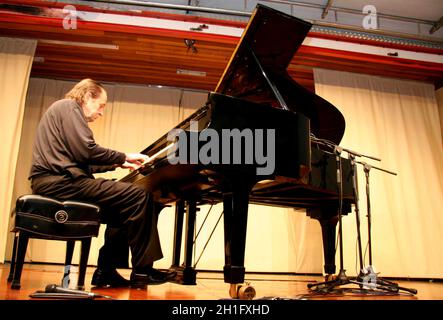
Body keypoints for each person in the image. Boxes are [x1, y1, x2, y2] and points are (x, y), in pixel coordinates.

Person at [28, 78, 176, 289]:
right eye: (101, 105)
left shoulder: (62, 111)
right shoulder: (69, 107)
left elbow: (80, 160)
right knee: (139, 195)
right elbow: (86, 150)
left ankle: (105, 272)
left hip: (57, 181)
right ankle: (143, 271)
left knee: (123, 210)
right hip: (60, 183)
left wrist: (121, 163)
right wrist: (123, 155)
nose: (101, 112)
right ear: (87, 96)